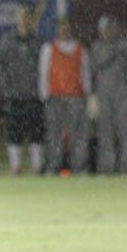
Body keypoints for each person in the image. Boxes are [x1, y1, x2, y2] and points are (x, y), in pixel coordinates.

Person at [0, 5, 45, 175]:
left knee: (36, 134)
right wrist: (6, 90)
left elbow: (45, 68)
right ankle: (16, 168)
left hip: (34, 96)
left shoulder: (39, 43)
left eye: (28, 17)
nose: (25, 20)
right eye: (22, 17)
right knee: (14, 134)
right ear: (17, 19)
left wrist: (42, 90)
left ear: (32, 20)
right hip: (14, 97)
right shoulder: (7, 41)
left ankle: (37, 168)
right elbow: (0, 67)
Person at [38, 17, 92, 173]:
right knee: (54, 135)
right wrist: (44, 95)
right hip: (55, 98)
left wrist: (87, 94)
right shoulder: (48, 48)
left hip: (76, 98)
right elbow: (44, 72)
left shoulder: (81, 49)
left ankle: (80, 167)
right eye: (62, 27)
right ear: (57, 29)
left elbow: (85, 72)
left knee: (78, 136)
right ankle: (53, 166)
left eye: (67, 27)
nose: (64, 30)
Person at [89, 14, 127, 173]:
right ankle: (106, 168)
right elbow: (95, 66)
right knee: (106, 133)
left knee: (126, 131)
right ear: (100, 30)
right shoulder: (96, 47)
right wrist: (114, 51)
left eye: (111, 27)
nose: (109, 31)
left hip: (122, 94)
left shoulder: (125, 45)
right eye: (106, 28)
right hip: (104, 95)